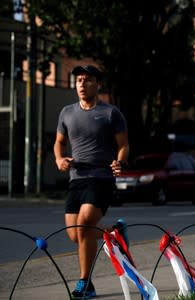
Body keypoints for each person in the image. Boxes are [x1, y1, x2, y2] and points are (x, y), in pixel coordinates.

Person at [54, 65, 129, 299]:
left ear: (98, 84)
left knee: (84, 225)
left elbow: (124, 145)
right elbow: (59, 142)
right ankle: (114, 233)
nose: (82, 84)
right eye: (78, 80)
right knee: (74, 234)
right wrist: (58, 159)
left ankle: (86, 283)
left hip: (101, 178)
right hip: (77, 178)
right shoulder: (66, 112)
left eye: (87, 80)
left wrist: (120, 162)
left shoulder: (111, 113)